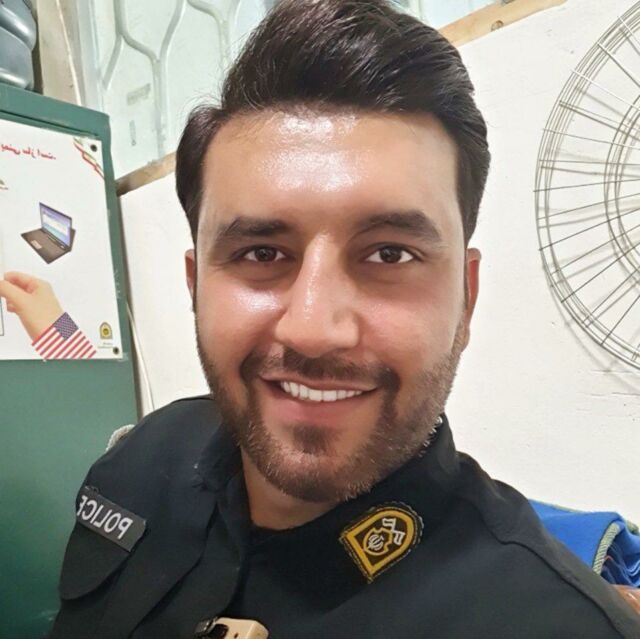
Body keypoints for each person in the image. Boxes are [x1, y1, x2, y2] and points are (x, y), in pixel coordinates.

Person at [49, 1, 640, 637]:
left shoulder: (555, 622)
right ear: (195, 285)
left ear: (465, 299)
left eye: (390, 254)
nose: (312, 328)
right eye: (261, 253)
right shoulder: (140, 460)